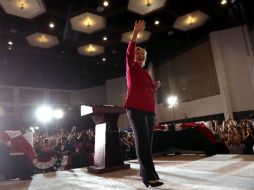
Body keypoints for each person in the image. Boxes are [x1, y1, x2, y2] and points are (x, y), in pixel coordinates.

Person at [124, 20, 163, 188]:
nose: (140, 56)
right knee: (143, 142)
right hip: (136, 109)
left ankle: (145, 174)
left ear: (145, 59)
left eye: (143, 56)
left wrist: (154, 87)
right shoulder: (131, 67)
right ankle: (149, 176)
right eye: (138, 55)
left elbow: (147, 91)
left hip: (149, 110)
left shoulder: (146, 74)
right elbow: (129, 52)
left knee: (148, 143)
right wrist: (135, 34)